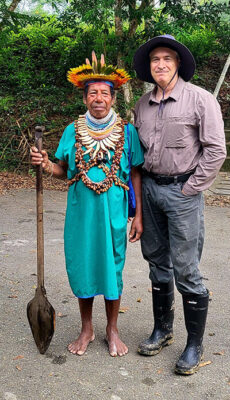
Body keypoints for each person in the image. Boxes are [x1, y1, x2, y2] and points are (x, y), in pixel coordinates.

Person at [30, 52, 144, 357]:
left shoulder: (127, 132)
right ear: (84, 98)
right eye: (92, 92)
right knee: (83, 266)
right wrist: (45, 165)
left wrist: (139, 217)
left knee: (112, 267)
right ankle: (86, 328)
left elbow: (134, 174)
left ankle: (112, 328)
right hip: (81, 212)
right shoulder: (72, 130)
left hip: (113, 212)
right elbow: (60, 169)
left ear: (112, 98)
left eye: (104, 93)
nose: (98, 98)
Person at [133, 35, 226, 374]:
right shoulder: (141, 106)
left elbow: (216, 150)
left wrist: (191, 189)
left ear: (178, 64)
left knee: (186, 268)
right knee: (157, 262)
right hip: (150, 192)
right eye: (155, 59)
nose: (160, 64)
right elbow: (136, 157)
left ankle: (194, 344)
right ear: (149, 66)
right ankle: (163, 330)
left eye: (167, 59)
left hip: (183, 193)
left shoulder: (200, 100)